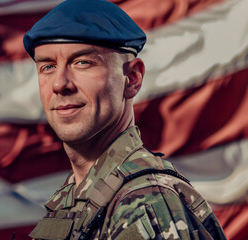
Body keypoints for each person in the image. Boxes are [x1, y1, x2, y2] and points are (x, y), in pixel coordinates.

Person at [22, 0, 227, 239]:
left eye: (82, 62)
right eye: (47, 66)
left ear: (132, 78)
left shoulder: (146, 203)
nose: (59, 84)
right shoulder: (76, 198)